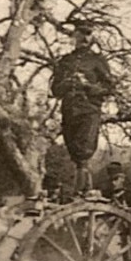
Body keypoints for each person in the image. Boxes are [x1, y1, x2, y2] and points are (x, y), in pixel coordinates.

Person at [49, 22, 114, 190]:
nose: (85, 38)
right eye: (81, 34)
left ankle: (83, 191)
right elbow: (55, 90)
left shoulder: (97, 60)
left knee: (83, 152)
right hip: (69, 111)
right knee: (73, 151)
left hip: (89, 110)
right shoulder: (65, 61)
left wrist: (88, 86)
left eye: (88, 34)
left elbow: (110, 88)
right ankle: (78, 191)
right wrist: (66, 83)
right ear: (74, 36)